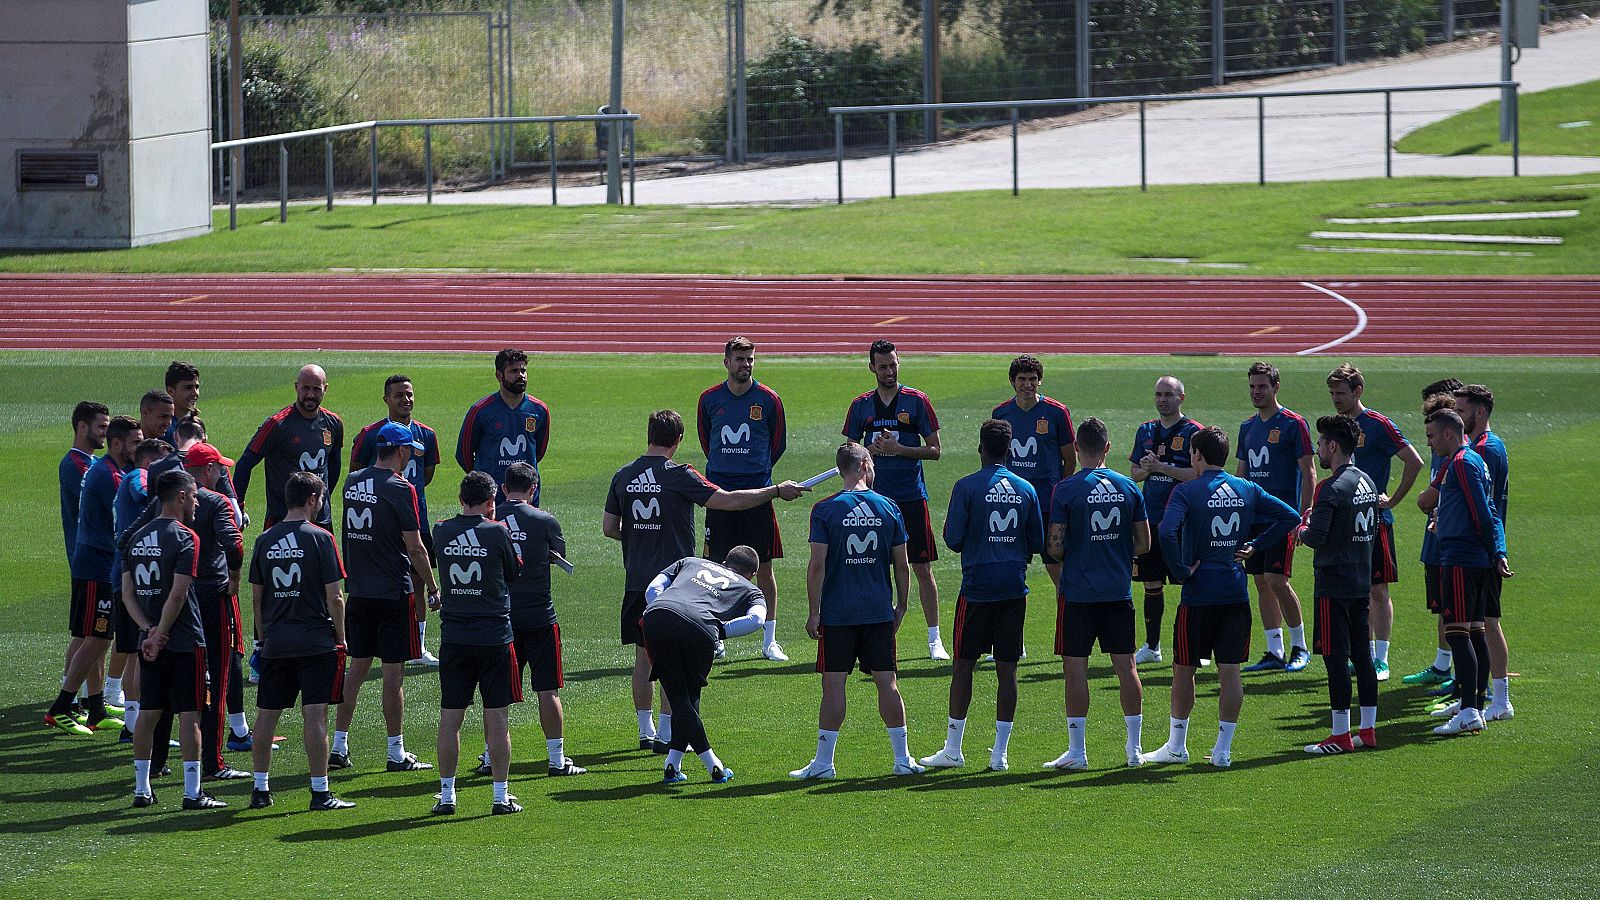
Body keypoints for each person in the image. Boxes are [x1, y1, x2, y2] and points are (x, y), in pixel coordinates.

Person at [605, 409, 805, 751]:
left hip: (637, 582)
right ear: (678, 440)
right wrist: (774, 491)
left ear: (649, 435)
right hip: (674, 589)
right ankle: (667, 734)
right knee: (672, 660)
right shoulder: (680, 474)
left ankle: (644, 730)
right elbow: (727, 501)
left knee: (643, 659)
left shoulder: (623, 475)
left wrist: (641, 537)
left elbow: (610, 528)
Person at [1145, 426, 1298, 768]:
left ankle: (1176, 746)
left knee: (1185, 669)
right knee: (1230, 671)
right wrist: (1254, 546)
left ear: (1196, 455)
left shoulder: (1187, 492)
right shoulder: (1246, 488)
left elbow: (1166, 531)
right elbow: (1289, 516)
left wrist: (1181, 570)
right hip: (1234, 594)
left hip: (1198, 596)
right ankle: (1222, 751)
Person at [791, 442, 924, 779]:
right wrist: (903, 605)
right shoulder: (889, 507)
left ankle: (824, 764)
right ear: (865, 464)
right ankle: (902, 759)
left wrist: (813, 611)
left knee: (833, 686)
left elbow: (816, 565)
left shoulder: (825, 509)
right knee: (887, 683)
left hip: (837, 614)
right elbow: (903, 565)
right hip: (878, 612)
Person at [919, 420, 1044, 772]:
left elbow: (953, 539)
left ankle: (953, 749)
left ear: (981, 448)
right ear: (1010, 449)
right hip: (1013, 591)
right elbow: (1036, 541)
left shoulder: (967, 487)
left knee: (963, 666)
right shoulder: (1026, 489)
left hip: (976, 591)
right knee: (1008, 671)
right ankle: (999, 754)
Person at [126, 442, 246, 779]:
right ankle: (212, 764)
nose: (223, 474)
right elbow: (233, 543)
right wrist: (234, 579)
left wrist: (134, 586)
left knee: (160, 688)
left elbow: (128, 540)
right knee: (215, 682)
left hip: (163, 605)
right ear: (207, 471)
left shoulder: (161, 504)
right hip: (210, 599)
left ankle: (158, 763)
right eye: (220, 468)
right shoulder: (216, 501)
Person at [1042, 417, 1150, 771]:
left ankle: (1078, 752)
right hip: (1118, 592)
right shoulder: (1128, 488)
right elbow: (1144, 543)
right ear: (1107, 447)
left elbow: (1054, 547)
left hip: (1078, 594)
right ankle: (1134, 749)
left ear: (1076, 447)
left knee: (1075, 669)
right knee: (1126, 667)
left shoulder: (1066, 489)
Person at [333, 422, 439, 773]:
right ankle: (396, 752)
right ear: (401, 450)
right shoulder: (400, 487)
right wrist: (434, 587)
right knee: (394, 674)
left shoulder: (351, 483)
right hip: (394, 591)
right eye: (409, 451)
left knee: (357, 668)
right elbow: (414, 546)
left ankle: (339, 744)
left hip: (359, 591)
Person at [247, 472, 355, 810]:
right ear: (311, 499)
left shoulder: (265, 539)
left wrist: (263, 640)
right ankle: (320, 792)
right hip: (314, 641)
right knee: (315, 716)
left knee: (266, 715)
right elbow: (335, 596)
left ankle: (260, 789)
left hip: (277, 641)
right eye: (320, 498)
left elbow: (256, 597)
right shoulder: (321, 538)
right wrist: (341, 636)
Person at [121, 469, 225, 810]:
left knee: (148, 713)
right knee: (190, 714)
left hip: (148, 643)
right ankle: (193, 792)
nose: (196, 501)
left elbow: (127, 595)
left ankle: (142, 789)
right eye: (194, 495)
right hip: (182, 641)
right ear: (180, 496)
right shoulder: (185, 537)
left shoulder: (134, 537)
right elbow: (179, 595)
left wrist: (148, 631)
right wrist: (162, 632)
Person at [842, 339, 947, 660]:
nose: (889, 371)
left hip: (911, 497)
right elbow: (848, 453)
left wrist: (899, 450)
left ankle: (934, 640)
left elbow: (936, 450)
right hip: (873, 501)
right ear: (872, 367)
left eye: (893, 365)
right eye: (883, 366)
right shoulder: (860, 405)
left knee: (922, 566)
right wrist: (868, 452)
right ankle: (878, 635)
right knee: (873, 568)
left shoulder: (917, 402)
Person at [430, 472, 524, 816]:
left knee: (450, 718)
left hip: (455, 637)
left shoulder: (441, 530)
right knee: (497, 717)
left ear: (460, 499)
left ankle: (447, 795)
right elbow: (514, 571)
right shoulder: (497, 531)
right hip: (494, 637)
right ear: (490, 502)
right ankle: (500, 796)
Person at [696, 336, 790, 661]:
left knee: (764, 568)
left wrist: (755, 476)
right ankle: (714, 635)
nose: (745, 364)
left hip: (757, 497)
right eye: (739, 359)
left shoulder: (768, 400)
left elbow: (777, 445)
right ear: (726, 362)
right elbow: (708, 442)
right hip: (720, 497)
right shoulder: (709, 399)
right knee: (713, 568)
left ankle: (770, 640)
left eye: (750, 359)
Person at [1328, 363, 1424, 680]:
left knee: (1378, 589)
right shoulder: (1334, 426)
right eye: (1331, 393)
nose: (1335, 399)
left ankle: (1381, 659)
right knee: (1355, 590)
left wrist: (1392, 500)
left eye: (1340, 393)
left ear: (1358, 391)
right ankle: (1363, 655)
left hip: (1373, 520)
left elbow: (1414, 460)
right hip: (1343, 520)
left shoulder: (1378, 424)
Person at [490, 461, 585, 777]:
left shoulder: (492, 519)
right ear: (534, 489)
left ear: (504, 489)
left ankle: (492, 756)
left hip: (503, 619)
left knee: (499, 693)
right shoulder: (546, 521)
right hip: (541, 617)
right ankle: (556, 760)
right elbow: (560, 555)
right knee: (548, 690)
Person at [47, 414, 139, 735]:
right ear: (117, 444)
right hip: (96, 567)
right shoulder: (107, 475)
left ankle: (95, 707)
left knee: (95, 638)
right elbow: (122, 521)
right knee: (95, 639)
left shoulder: (107, 470)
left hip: (98, 565)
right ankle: (63, 706)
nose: (137, 449)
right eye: (134, 443)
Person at [642, 548, 767, 785]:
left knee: (685, 696)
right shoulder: (751, 589)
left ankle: (672, 764)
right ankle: (714, 765)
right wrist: (721, 631)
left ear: (723, 562)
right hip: (701, 628)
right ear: (752, 573)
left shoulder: (690, 561)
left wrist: (664, 609)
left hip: (659, 615)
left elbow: (652, 589)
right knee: (683, 697)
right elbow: (757, 620)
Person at [1295, 415, 1381, 754]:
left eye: (1320, 444)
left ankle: (1340, 735)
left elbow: (1316, 537)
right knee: (1363, 656)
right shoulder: (1368, 482)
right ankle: (1369, 730)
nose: (1318, 450)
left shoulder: (1329, 487)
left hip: (1333, 583)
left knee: (1334, 657)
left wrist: (1301, 529)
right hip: (1361, 580)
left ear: (1333, 445)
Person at [1424, 410, 1511, 736]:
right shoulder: (1474, 460)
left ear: (1448, 433)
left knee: (1458, 634)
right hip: (1471, 557)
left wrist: (1492, 552)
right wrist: (1496, 551)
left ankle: (1471, 709)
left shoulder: (1461, 462)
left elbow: (1481, 512)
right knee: (1474, 633)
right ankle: (1468, 704)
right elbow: (1487, 510)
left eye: (1432, 436)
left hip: (1461, 559)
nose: (1430, 443)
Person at [351, 374, 442, 666]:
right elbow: (356, 468)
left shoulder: (426, 434)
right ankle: (387, 644)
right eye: (399, 395)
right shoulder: (370, 433)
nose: (406, 399)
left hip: (416, 516)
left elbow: (427, 474)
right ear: (386, 399)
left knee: (417, 575)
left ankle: (419, 645)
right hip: (384, 519)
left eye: (410, 394)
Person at [1236, 362, 1315, 674]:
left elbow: (1309, 471)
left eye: (1262, 387)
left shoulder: (1294, 424)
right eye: (1253, 386)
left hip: (1282, 518)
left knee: (1276, 579)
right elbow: (1242, 475)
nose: (1256, 392)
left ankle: (1300, 646)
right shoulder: (1246, 428)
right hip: (1254, 518)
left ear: (1276, 387)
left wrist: (1304, 515)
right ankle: (1274, 650)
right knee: (1260, 581)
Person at [1128, 376, 1203, 664]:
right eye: (1158, 394)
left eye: (1168, 395)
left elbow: (1199, 474)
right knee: (1151, 582)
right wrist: (1146, 470)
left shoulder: (1195, 432)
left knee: (1191, 581)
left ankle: (1194, 645)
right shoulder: (1145, 430)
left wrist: (1162, 467)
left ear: (1181, 398)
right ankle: (1153, 645)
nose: (1162, 399)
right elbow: (1134, 473)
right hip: (1151, 519)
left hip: (1184, 521)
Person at [990, 355, 1075, 586]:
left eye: (1033, 379)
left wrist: (1062, 492)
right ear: (1012, 381)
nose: (1027, 384)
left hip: (1048, 502)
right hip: (1015, 502)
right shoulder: (1000, 414)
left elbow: (1069, 458)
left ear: (1040, 381)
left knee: (1055, 564)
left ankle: (1068, 613)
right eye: (1022, 379)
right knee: (1014, 565)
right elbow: (994, 456)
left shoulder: (1057, 412)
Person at [1454, 384, 1512, 721]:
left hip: (1483, 549)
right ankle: (1473, 695)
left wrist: (1495, 549)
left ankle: (1499, 698)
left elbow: (1485, 506)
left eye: (1462, 411)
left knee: (1488, 621)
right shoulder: (1483, 446)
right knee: (1478, 622)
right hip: (1483, 546)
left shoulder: (1487, 449)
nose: (1459, 418)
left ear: (1479, 412)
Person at [110, 437, 174, 742]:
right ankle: (134, 726)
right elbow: (145, 492)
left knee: (137, 653)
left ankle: (133, 724)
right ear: (151, 465)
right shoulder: (138, 477)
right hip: (135, 581)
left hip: (131, 578)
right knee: (138, 655)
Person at [1404, 380, 1465, 691]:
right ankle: (1444, 666)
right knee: (1443, 606)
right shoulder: (1443, 453)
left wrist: (1428, 502)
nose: (1427, 440)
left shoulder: (1459, 456)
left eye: (1431, 433)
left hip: (1452, 542)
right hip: (1437, 539)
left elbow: (1430, 498)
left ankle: (1462, 678)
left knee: (1460, 612)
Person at [236, 364, 344, 529]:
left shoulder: (333, 423)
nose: (310, 395)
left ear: (325, 389)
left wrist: (321, 498)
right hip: (282, 519)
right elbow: (244, 464)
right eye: (305, 388)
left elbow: (334, 465)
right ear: (296, 387)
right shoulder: (276, 424)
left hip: (321, 520)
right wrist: (238, 507)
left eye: (316, 389)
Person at [54, 401, 108, 730]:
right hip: (86, 561)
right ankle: (70, 702)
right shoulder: (75, 464)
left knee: (93, 633)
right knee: (89, 635)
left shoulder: (91, 463)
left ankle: (91, 702)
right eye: (100, 426)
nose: (104, 432)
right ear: (82, 427)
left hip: (93, 560)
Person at [457, 348, 550, 504]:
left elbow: (538, 452)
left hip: (527, 494)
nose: (520, 375)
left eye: (523, 370)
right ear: (499, 375)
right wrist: (484, 479)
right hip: (491, 497)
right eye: (514, 371)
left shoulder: (539, 410)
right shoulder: (480, 411)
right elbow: (463, 454)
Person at [163, 360, 202, 444]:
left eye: (197, 387)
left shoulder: (195, 422)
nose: (195, 393)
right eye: (188, 388)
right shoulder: (163, 427)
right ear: (171, 391)